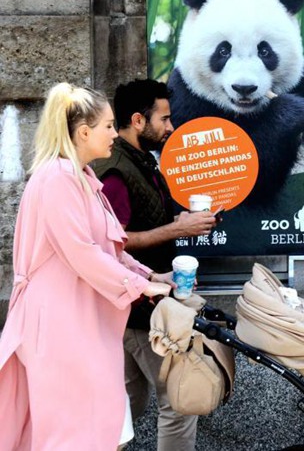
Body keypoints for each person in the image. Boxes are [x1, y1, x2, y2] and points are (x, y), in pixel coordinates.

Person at [0, 82, 173, 450]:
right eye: (109, 126)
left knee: (101, 430)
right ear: (83, 132)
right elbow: (83, 253)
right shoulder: (57, 180)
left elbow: (109, 248)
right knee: (77, 435)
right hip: (61, 329)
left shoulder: (81, 178)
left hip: (79, 325)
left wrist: (151, 276)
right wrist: (142, 286)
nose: (115, 133)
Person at [93, 78, 217, 451]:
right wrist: (176, 229)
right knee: (179, 402)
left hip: (137, 306)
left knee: (127, 403)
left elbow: (143, 222)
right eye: (164, 119)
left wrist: (185, 223)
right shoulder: (115, 172)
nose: (171, 127)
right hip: (139, 312)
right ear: (138, 120)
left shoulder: (139, 162)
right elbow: (116, 241)